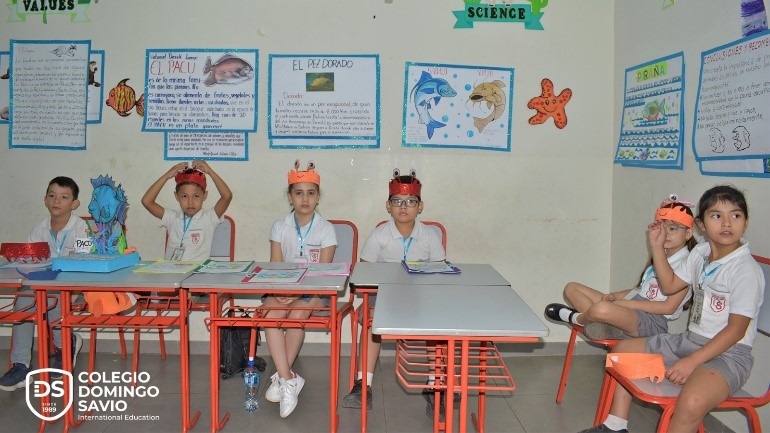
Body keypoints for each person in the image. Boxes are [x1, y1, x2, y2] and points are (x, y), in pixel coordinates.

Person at [578, 185, 765, 433]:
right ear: (701, 224)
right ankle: (616, 426)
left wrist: (691, 362)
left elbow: (736, 331)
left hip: (729, 354)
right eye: (716, 215)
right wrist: (657, 247)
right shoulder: (701, 253)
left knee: (691, 403)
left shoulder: (744, 270)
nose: (727, 223)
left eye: (736, 215)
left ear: (746, 221)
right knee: (622, 353)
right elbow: (670, 286)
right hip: (690, 341)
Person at [341, 169, 446, 417]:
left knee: (437, 323)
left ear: (420, 206)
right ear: (388, 206)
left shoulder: (429, 236)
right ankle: (363, 384)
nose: (403, 207)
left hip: (420, 297)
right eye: (397, 201)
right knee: (370, 321)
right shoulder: (380, 235)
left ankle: (434, 385)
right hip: (384, 295)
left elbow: (440, 273)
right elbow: (364, 273)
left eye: (410, 201)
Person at [545, 197, 697, 340]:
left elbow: (668, 308)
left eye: (672, 229)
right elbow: (639, 291)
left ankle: (577, 318)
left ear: (688, 233)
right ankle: (603, 326)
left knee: (601, 309)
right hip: (631, 308)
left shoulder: (687, 265)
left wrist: (625, 304)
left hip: (652, 321)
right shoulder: (660, 257)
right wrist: (615, 296)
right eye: (662, 229)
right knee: (572, 288)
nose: (666, 234)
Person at [262, 160, 337, 418]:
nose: (305, 199)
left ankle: (283, 379)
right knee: (269, 315)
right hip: (283, 287)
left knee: (296, 316)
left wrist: (296, 293)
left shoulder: (326, 229)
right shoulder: (279, 226)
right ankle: (288, 378)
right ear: (290, 196)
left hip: (315, 290)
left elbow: (322, 273)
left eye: (311, 193)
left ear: (318, 197)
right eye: (299, 193)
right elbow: (275, 266)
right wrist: (280, 291)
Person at [0, 176, 87, 391]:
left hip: (76, 288)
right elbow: (29, 262)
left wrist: (75, 292)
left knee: (55, 299)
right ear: (45, 200)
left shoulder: (82, 228)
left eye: (64, 197)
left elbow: (86, 264)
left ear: (74, 203)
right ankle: (20, 366)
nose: (57, 201)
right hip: (43, 286)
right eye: (52, 195)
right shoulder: (39, 228)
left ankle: (63, 348)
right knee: (24, 301)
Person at [141, 160, 232, 261]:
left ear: (204, 196)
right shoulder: (172, 218)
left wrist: (210, 171)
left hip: (197, 270)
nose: (190, 202)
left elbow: (227, 196)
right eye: (184, 196)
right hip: (170, 269)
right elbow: (146, 201)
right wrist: (166, 176)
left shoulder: (209, 218)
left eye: (196, 196)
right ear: (176, 196)